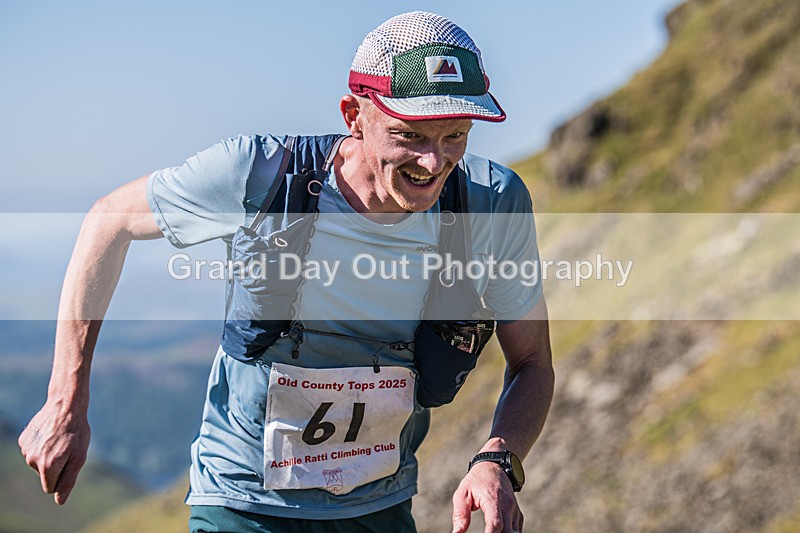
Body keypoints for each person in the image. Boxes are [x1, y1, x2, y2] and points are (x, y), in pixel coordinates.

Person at [18, 11, 554, 533]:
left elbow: (532, 363)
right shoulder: (257, 174)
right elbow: (109, 221)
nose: (434, 163)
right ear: (353, 114)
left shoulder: (492, 204)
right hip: (241, 503)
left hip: (380, 507)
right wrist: (66, 400)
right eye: (410, 135)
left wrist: (497, 460)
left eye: (455, 135)